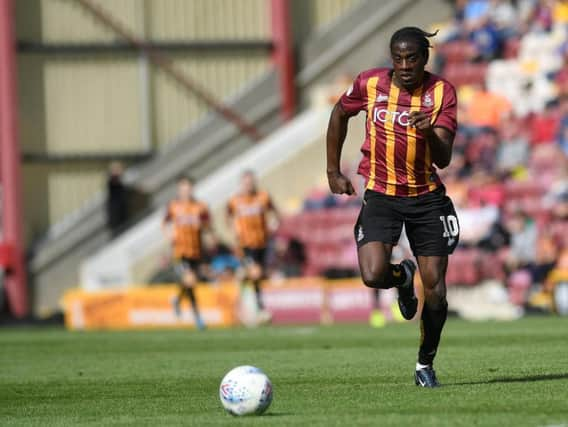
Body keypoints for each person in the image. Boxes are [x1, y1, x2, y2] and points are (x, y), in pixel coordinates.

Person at [326, 27, 459, 387]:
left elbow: (444, 158)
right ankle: (402, 276)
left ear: (424, 58)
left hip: (426, 197)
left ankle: (424, 364)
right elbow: (339, 114)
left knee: (437, 289)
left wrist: (429, 130)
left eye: (411, 58)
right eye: (397, 58)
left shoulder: (441, 92)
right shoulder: (370, 84)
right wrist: (332, 170)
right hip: (382, 193)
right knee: (372, 274)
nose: (403, 65)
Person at [227, 171, 279, 318]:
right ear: (241, 184)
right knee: (256, 272)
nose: (248, 185)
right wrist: (234, 229)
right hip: (245, 243)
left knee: (255, 275)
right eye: (246, 182)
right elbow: (229, 217)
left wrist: (274, 222)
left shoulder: (263, 197)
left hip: (262, 242)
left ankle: (241, 289)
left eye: (251, 182)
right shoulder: (234, 201)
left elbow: (274, 212)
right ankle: (260, 308)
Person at [163, 176, 210, 330]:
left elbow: (208, 224)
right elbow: (165, 223)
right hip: (180, 251)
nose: (186, 192)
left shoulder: (200, 206)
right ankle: (197, 317)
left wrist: (202, 225)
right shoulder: (173, 206)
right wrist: (169, 235)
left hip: (196, 251)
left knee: (191, 283)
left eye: (188, 189)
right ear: (179, 190)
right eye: (183, 189)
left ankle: (177, 299)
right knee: (190, 281)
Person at [106, 161, 129, 237]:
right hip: (116, 215)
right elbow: (114, 177)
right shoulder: (112, 182)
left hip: (122, 213)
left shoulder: (120, 183)